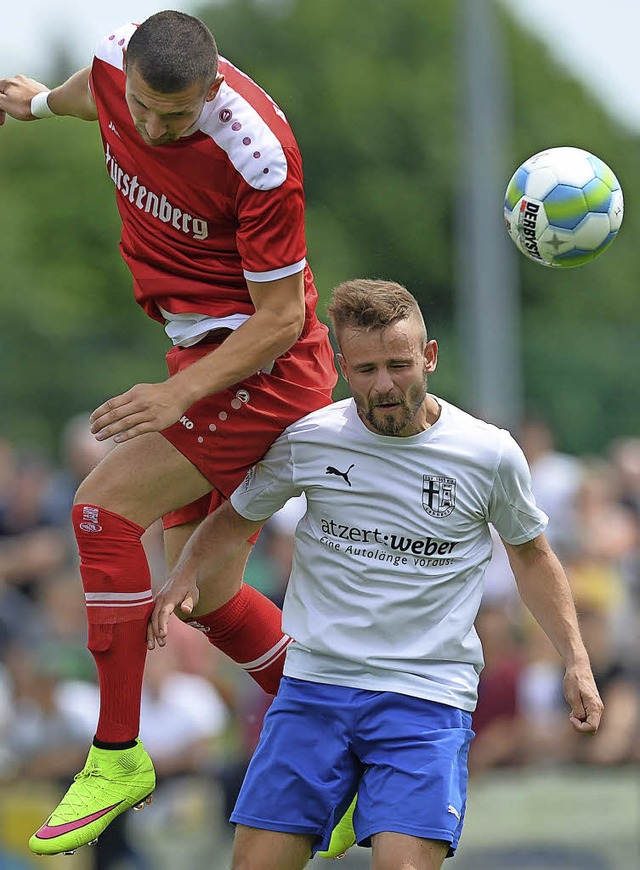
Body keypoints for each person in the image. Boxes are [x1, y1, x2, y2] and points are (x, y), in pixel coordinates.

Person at [0, 9, 337, 856]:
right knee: (215, 602)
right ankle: (341, 751)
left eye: (176, 118)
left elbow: (281, 317)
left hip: (263, 369)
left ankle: (116, 755)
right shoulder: (118, 65)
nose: (153, 128)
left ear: (214, 91)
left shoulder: (258, 155)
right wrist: (40, 106)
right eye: (145, 109)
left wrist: (174, 397)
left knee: (100, 510)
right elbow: (95, 99)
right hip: (199, 355)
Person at [151, 278, 603, 870]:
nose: (385, 385)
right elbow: (236, 520)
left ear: (430, 357)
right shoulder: (311, 440)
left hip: (425, 697)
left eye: (399, 365)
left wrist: (575, 658)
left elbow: (531, 555)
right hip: (315, 689)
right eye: (366, 370)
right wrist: (183, 575)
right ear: (342, 369)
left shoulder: (488, 453)